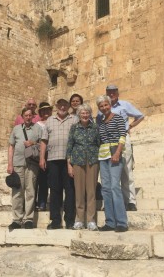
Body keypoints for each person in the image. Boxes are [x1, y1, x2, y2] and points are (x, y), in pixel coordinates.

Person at [98, 85, 144, 211]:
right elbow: (98, 124)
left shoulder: (124, 105)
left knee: (126, 170)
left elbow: (140, 116)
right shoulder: (101, 107)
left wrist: (129, 127)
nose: (112, 94)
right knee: (109, 173)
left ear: (117, 93)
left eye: (114, 92)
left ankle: (130, 201)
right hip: (107, 143)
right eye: (109, 92)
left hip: (122, 140)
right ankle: (111, 201)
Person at [39, 98, 77, 229]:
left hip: (69, 160)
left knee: (70, 190)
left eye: (65, 105)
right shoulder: (50, 121)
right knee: (55, 190)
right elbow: (44, 141)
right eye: (60, 105)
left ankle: (70, 220)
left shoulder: (74, 119)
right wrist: (42, 158)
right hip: (53, 160)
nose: (62, 107)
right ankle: (55, 220)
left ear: (68, 106)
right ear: (56, 106)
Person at [96, 95, 128, 232]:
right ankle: (110, 222)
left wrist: (117, 153)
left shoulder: (118, 118)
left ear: (110, 105)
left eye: (106, 105)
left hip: (115, 153)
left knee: (115, 186)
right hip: (103, 155)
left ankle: (121, 222)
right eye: (101, 106)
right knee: (106, 188)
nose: (104, 108)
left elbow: (122, 135)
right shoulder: (101, 122)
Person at [7, 108, 42, 230]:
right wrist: (9, 164)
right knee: (17, 192)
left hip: (32, 164)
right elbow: (11, 147)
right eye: (25, 115)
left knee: (31, 191)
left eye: (30, 115)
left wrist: (32, 143)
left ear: (33, 116)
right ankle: (17, 219)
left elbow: (43, 145)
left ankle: (28, 219)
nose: (28, 117)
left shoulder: (38, 128)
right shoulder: (16, 129)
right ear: (22, 116)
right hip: (18, 164)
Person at [66, 103, 100, 231]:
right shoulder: (74, 128)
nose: (85, 115)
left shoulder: (95, 127)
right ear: (78, 115)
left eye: (87, 113)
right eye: (82, 113)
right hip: (78, 161)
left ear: (90, 114)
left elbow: (98, 143)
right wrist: (69, 165)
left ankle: (91, 220)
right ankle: (79, 219)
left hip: (92, 161)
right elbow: (69, 146)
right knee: (79, 191)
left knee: (91, 191)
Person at [35, 102, 53, 211]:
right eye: (43, 110)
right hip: (43, 154)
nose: (46, 112)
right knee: (42, 180)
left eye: (48, 110)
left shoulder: (54, 121)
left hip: (54, 154)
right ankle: (42, 202)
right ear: (41, 112)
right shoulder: (37, 125)